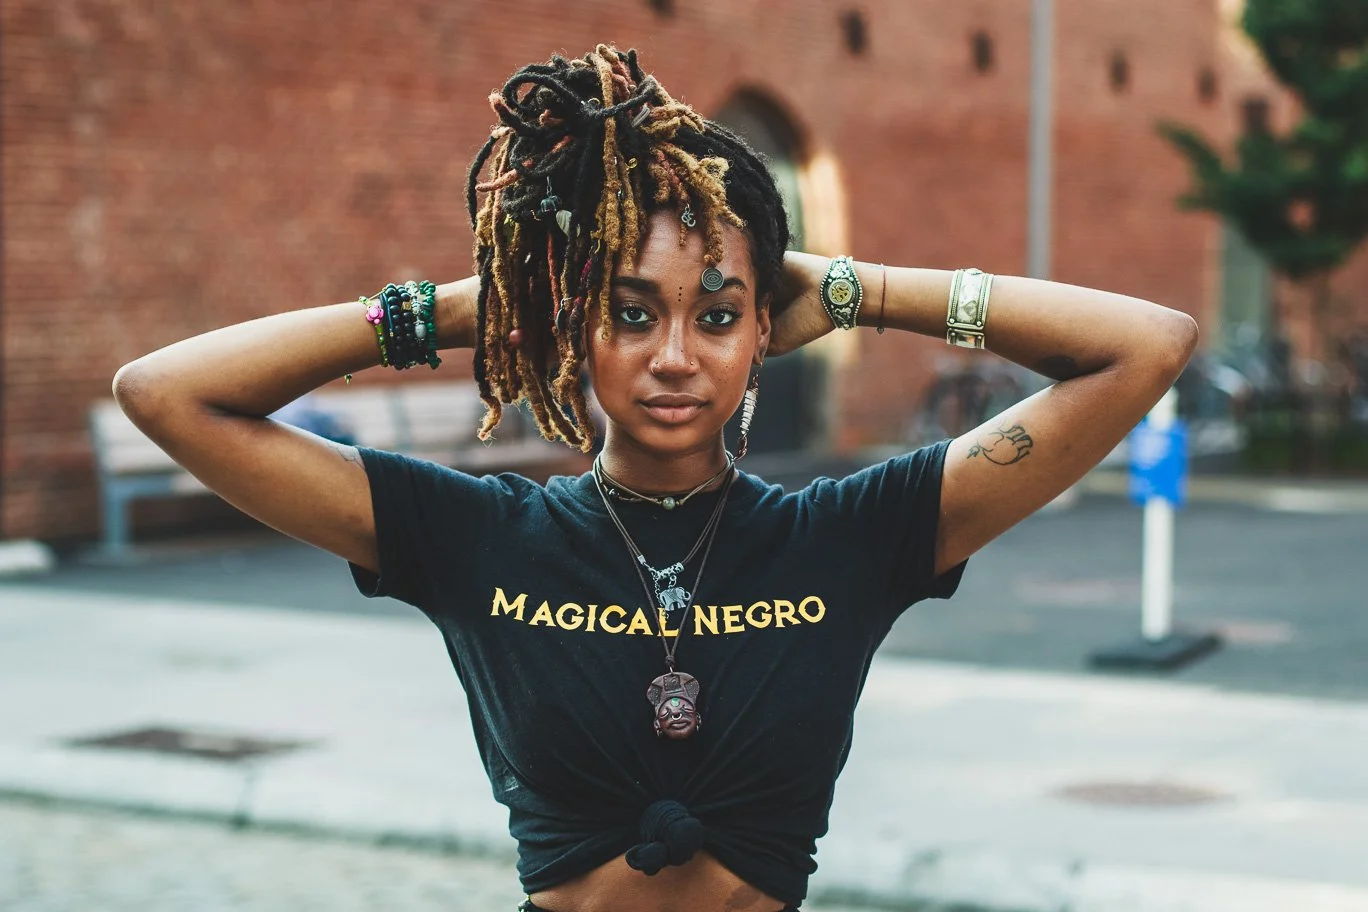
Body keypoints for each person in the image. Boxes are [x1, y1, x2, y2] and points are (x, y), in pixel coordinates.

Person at [113, 45, 1198, 912]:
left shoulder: (852, 535)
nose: (675, 355)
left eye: (718, 316)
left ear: (762, 332)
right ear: (578, 325)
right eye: (630, 313)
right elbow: (166, 393)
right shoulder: (475, 538)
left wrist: (858, 287)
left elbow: (1145, 345)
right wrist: (483, 303)